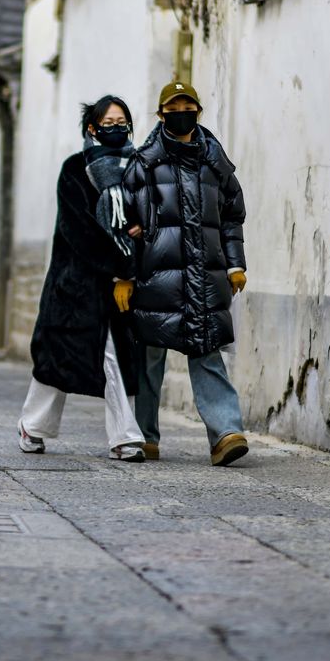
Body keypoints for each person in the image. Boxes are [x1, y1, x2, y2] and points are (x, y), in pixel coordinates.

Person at [121, 80, 249, 466]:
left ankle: (226, 433)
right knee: (149, 358)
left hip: (205, 276)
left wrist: (235, 262)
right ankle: (143, 436)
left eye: (187, 106)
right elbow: (125, 220)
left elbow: (231, 216)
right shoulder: (143, 164)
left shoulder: (216, 162)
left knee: (207, 351)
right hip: (155, 276)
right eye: (173, 107)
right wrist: (125, 274)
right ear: (161, 115)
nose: (181, 112)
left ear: (198, 111)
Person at [19, 96, 146, 462]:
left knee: (118, 359)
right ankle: (33, 425)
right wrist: (119, 260)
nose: (116, 126)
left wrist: (141, 231)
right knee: (56, 360)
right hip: (75, 284)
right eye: (108, 121)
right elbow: (78, 229)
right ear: (92, 127)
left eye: (122, 120)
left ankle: (124, 437)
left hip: (119, 285)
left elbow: (147, 211)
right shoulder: (75, 169)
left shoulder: (137, 168)